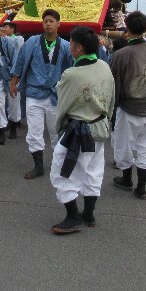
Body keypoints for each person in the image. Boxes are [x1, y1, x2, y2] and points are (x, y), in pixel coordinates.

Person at [49, 26, 115, 234]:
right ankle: (88, 214)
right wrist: (107, 120)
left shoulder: (72, 74)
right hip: (100, 126)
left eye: (71, 43)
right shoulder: (104, 66)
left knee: (63, 171)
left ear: (78, 47)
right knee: (94, 170)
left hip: (78, 131)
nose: (69, 46)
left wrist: (60, 128)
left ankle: (72, 216)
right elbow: (111, 97)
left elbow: (63, 106)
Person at [10, 9, 74, 179]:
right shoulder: (32, 42)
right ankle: (38, 166)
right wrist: (13, 81)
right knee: (34, 131)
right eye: (45, 21)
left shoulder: (66, 46)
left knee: (56, 132)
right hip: (34, 93)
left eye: (51, 21)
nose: (48, 24)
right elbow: (20, 61)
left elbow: (74, 68)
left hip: (55, 95)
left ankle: (58, 165)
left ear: (58, 24)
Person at [110, 12, 146, 200]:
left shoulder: (122, 54)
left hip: (130, 107)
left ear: (127, 28)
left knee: (123, 145)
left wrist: (112, 111)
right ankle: (141, 187)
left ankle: (127, 179)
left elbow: (115, 85)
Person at [0, 20, 25, 137]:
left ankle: (14, 126)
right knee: (3, 102)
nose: (3, 29)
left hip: (13, 75)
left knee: (14, 101)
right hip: (2, 75)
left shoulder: (18, 39)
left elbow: (16, 53)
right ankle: (7, 123)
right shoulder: (1, 40)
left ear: (12, 29)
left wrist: (3, 37)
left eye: (6, 27)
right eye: (3, 27)